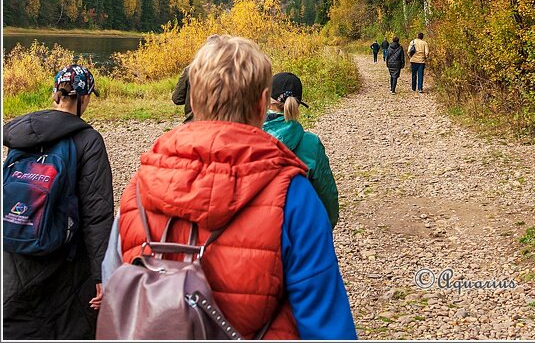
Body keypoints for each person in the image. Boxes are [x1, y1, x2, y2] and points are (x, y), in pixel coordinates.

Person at [102, 35, 357, 340]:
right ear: (263, 104)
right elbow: (325, 324)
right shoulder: (295, 196)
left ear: (193, 102)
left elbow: (115, 281)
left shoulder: (139, 187)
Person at [3, 64, 114, 341]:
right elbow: (97, 214)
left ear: (56, 94)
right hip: (63, 261)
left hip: (14, 253)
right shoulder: (88, 141)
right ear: (85, 98)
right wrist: (102, 273)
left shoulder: (21, 136)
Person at [263, 71, 339, 228]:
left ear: (266, 99)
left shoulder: (246, 134)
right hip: (296, 232)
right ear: (297, 105)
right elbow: (326, 195)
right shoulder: (311, 144)